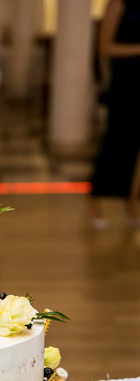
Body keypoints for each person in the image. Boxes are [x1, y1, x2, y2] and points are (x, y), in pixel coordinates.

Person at [86, 0, 140, 229]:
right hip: (125, 84)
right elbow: (105, 47)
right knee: (117, 141)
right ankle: (93, 199)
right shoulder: (118, 3)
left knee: (137, 149)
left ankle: (131, 201)